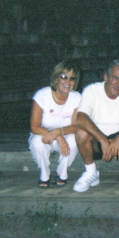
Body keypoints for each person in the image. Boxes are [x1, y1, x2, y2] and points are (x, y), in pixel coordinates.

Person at [73, 59, 119, 197]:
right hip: (97, 141)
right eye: (115, 78)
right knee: (81, 132)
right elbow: (81, 118)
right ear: (106, 77)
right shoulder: (92, 90)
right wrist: (103, 139)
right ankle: (91, 173)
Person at [29, 60, 82, 188]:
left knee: (75, 141)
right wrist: (57, 135)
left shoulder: (77, 97)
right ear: (56, 78)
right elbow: (34, 127)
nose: (67, 82)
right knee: (37, 143)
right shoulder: (42, 95)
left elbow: (75, 126)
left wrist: (59, 132)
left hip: (66, 134)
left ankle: (62, 172)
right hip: (44, 134)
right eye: (64, 77)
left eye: (72, 78)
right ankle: (44, 174)